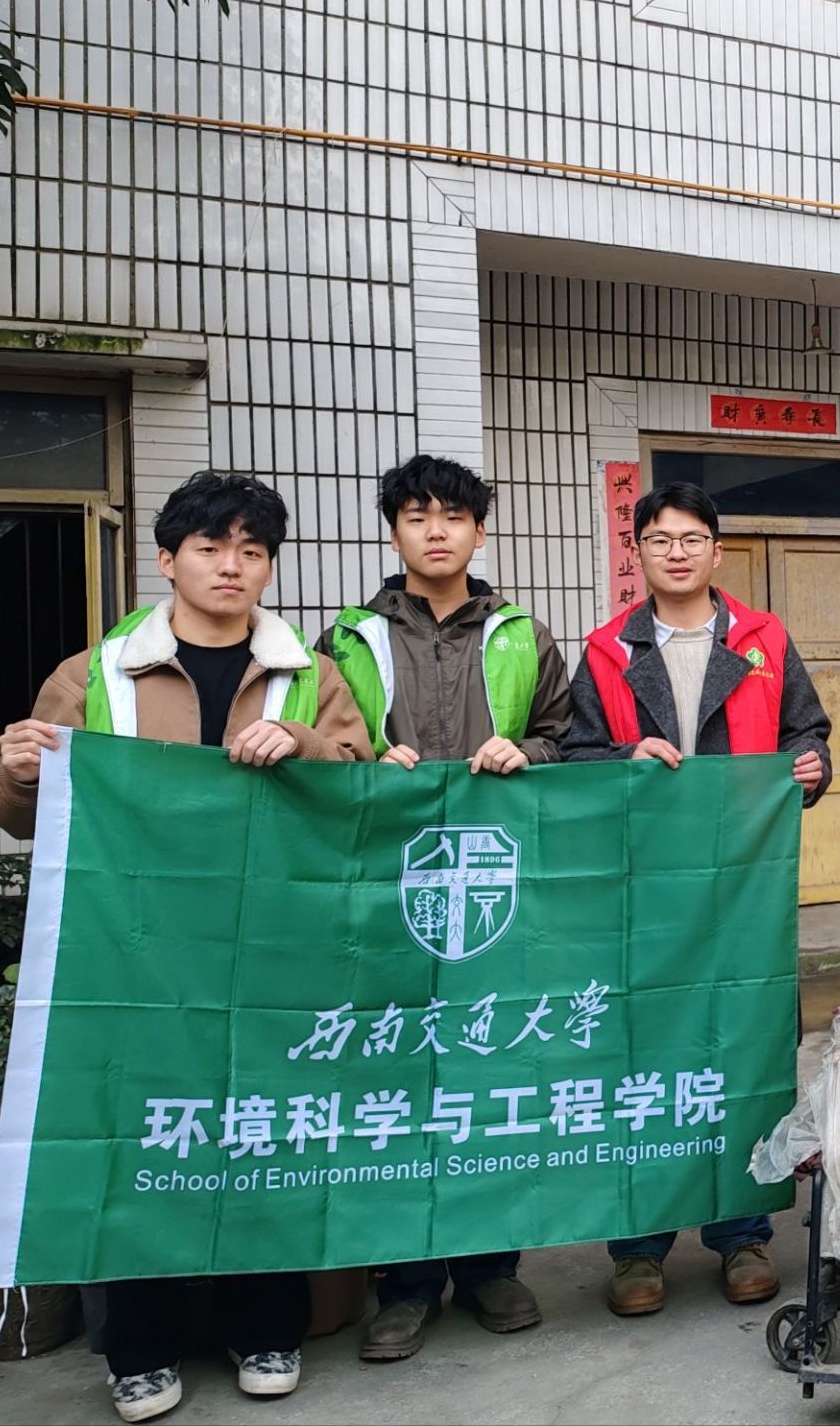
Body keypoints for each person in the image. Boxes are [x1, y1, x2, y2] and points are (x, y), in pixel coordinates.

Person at [0, 471, 371, 1423]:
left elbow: (362, 789)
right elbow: (29, 817)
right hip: (133, 951)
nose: (231, 566)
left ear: (269, 567)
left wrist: (304, 745)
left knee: (263, 1128)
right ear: (167, 559)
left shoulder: (309, 675)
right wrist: (18, 772)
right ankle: (138, 1346)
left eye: (252, 550)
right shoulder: (94, 674)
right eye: (210, 547)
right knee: (137, 1134)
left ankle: (265, 1324)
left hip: (272, 946)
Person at [315, 454, 574, 1361]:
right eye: (417, 515)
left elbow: (568, 738)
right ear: (393, 532)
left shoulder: (523, 634)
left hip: (495, 885)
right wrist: (363, 759)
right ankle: (406, 1282)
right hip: (386, 886)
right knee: (393, 1077)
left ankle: (491, 1267)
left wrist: (525, 753)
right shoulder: (346, 639)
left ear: (479, 531)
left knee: (489, 1071)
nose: (436, 530)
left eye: (453, 516)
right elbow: (323, 746)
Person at [562, 480, 832, 1319]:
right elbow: (574, 755)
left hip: (742, 883)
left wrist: (812, 768)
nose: (676, 553)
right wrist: (624, 759)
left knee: (740, 1044)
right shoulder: (606, 649)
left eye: (691, 539)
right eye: (659, 539)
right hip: (641, 884)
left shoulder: (763, 639)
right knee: (639, 1049)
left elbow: (806, 732)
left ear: (716, 551)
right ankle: (638, 1244)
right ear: (636, 552)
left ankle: (742, 1231)